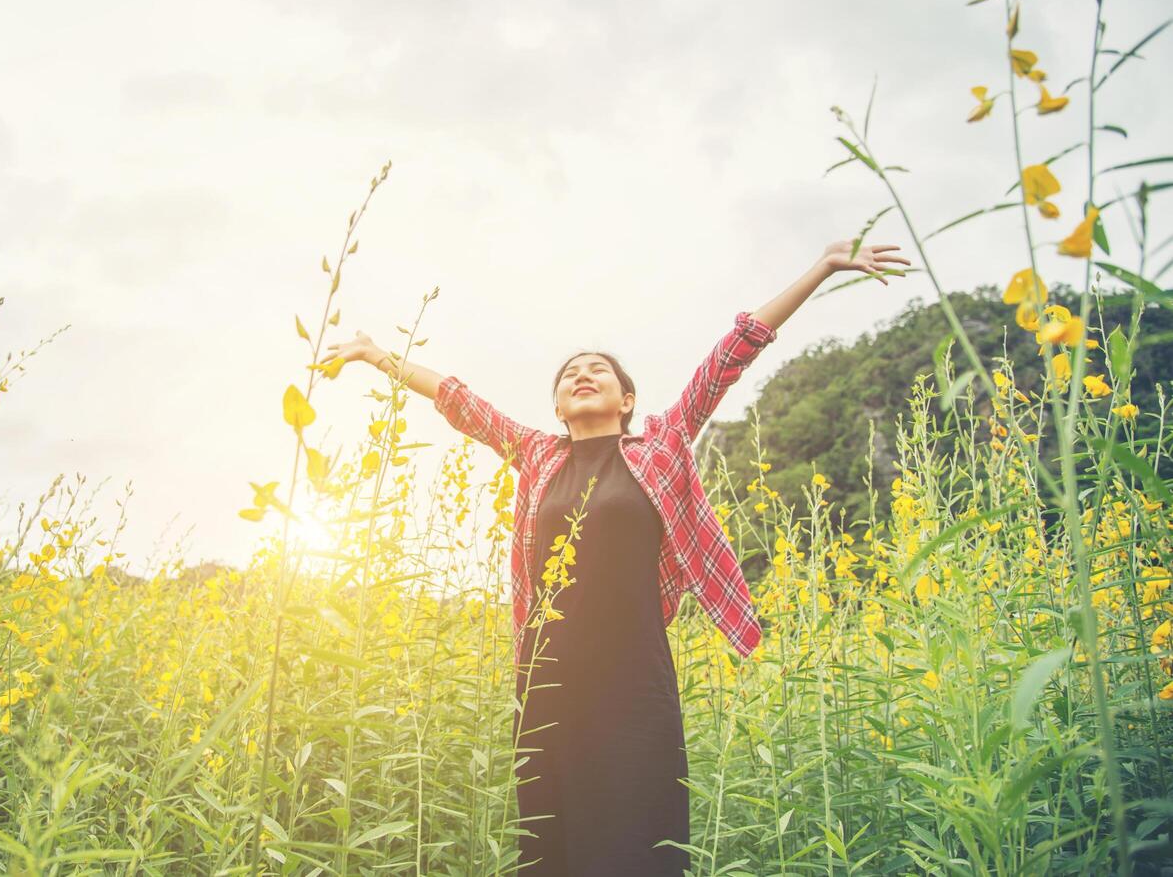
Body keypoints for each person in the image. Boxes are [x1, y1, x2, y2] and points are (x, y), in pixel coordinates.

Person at [319, 240, 911, 874]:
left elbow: (730, 354)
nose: (582, 374)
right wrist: (377, 354)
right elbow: (459, 400)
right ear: (557, 407)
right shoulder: (539, 456)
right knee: (553, 842)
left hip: (633, 678)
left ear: (626, 400)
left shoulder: (659, 447)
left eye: (599, 369)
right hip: (547, 680)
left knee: (637, 836)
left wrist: (821, 266)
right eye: (571, 372)